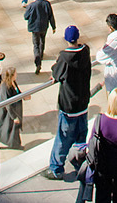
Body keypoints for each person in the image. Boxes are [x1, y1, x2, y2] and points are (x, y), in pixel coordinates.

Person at [47, 25, 93, 179]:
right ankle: (80, 162)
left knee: (63, 138)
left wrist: (55, 66)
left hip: (69, 107)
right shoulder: (85, 52)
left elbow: (57, 73)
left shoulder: (64, 57)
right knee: (81, 135)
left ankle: (56, 169)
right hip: (83, 104)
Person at [25, 0, 57, 71]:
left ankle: (37, 61)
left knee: (36, 44)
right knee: (42, 41)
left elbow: (26, 16)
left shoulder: (31, 5)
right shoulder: (47, 4)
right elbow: (51, 16)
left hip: (35, 28)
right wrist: (53, 26)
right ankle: (41, 55)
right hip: (44, 27)